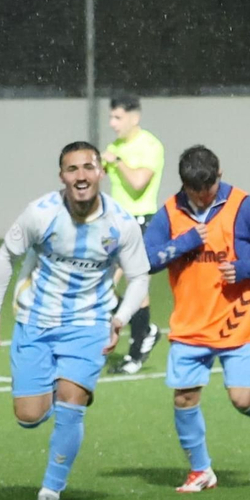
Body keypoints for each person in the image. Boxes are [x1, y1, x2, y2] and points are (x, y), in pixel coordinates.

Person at [0, 141, 148, 500]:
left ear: (100, 172)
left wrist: (118, 319)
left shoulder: (120, 223)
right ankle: (66, 388)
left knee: (71, 405)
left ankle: (50, 493)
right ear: (62, 176)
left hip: (89, 323)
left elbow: (139, 277)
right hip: (35, 320)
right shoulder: (40, 214)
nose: (81, 176)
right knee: (29, 415)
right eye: (72, 169)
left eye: (88, 167)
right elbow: (7, 255)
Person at [142, 145, 250, 492]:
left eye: (209, 191)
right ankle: (201, 471)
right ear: (184, 186)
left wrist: (246, 268)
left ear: (218, 177)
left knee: (242, 399)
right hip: (191, 324)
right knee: (184, 398)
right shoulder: (169, 213)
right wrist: (186, 242)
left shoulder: (243, 206)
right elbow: (147, 259)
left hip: (239, 319)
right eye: (197, 193)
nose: (205, 198)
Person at [102, 94, 166, 373]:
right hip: (114, 224)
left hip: (141, 223)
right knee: (101, 284)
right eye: (111, 117)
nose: (112, 123)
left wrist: (116, 162)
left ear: (134, 117)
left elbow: (139, 183)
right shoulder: (114, 146)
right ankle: (146, 330)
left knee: (136, 286)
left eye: (117, 117)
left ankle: (138, 346)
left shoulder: (150, 145)